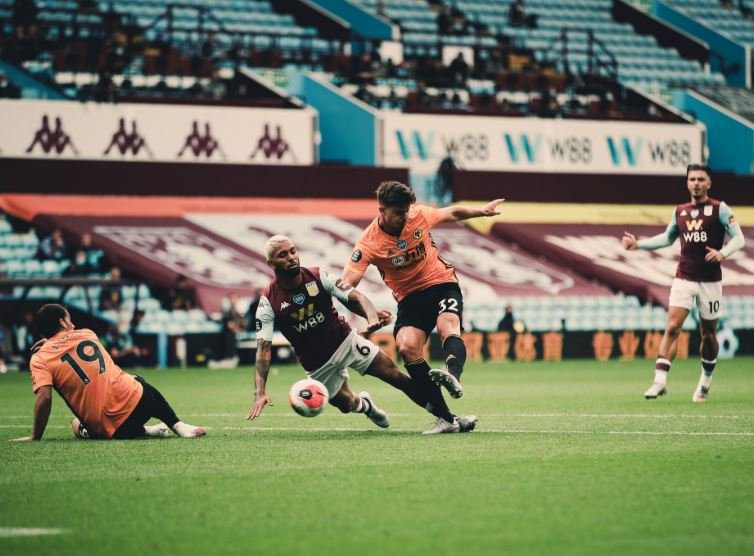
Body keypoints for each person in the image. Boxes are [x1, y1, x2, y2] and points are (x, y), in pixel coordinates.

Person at [246, 235, 465, 434]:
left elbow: (354, 297)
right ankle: (365, 406)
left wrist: (371, 317)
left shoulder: (317, 275)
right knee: (346, 404)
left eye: (292, 251)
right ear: (272, 263)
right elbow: (263, 350)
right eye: (283, 255)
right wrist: (260, 392)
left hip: (345, 341)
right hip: (317, 363)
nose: (291, 257)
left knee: (396, 376)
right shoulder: (268, 301)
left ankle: (448, 418)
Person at [341, 181, 503, 433]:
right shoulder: (368, 243)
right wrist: (368, 312)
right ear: (382, 210)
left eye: (407, 210)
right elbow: (346, 285)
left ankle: (453, 376)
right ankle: (446, 419)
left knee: (447, 324)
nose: (405, 217)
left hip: (441, 282)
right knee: (407, 346)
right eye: (398, 213)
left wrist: (481, 212)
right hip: (409, 297)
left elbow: (451, 213)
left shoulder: (418, 214)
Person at [621, 164, 745, 402]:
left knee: (708, 334)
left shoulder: (720, 209)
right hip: (684, 278)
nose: (696, 183)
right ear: (687, 183)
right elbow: (667, 238)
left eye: (700, 179)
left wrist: (723, 253)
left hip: (710, 281)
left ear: (709, 183)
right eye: (692, 179)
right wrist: (639, 244)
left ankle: (704, 383)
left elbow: (738, 238)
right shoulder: (680, 211)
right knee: (672, 326)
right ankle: (659, 382)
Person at [12, 304, 205, 441]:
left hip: (113, 430)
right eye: (69, 319)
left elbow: (44, 397)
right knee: (136, 380)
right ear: (62, 322)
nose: (72, 323)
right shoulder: (88, 334)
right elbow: (68, 344)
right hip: (141, 403)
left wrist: (35, 436)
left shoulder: (40, 358)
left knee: (76, 425)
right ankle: (178, 425)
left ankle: (145, 431)